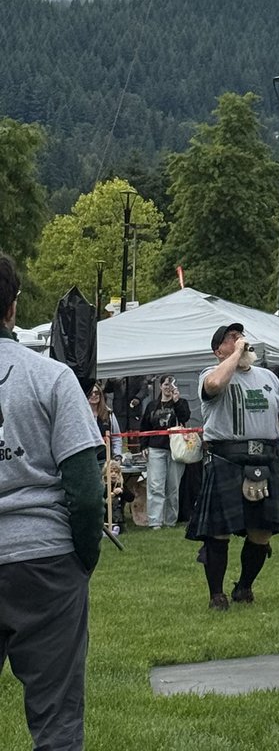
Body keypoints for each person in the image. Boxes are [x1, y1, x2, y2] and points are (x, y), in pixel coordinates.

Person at [0, 252, 105, 751]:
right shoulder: (52, 377)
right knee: (57, 721)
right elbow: (85, 490)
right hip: (45, 560)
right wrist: (83, 559)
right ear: (13, 307)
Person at [186, 321, 279, 610]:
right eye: (232, 338)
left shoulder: (268, 377)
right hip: (226, 459)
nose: (240, 339)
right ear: (219, 350)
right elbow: (215, 385)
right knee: (219, 530)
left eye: (241, 335)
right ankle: (216, 594)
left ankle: (244, 587)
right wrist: (235, 354)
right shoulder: (211, 374)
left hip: (265, 459)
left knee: (262, 530)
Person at [140, 376, 191, 529]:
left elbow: (185, 418)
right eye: (167, 384)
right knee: (155, 485)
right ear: (161, 386)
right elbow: (144, 427)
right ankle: (155, 521)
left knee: (173, 487)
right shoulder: (152, 406)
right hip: (155, 448)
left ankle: (170, 521)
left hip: (176, 449)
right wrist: (144, 446)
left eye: (172, 384)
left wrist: (176, 401)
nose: (169, 387)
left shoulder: (181, 403)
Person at [87, 379, 123, 461]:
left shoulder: (109, 414)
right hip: (88, 460)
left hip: (105, 460)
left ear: (101, 395)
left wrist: (117, 455)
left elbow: (116, 437)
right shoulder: (82, 415)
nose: (94, 395)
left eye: (96, 393)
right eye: (90, 393)